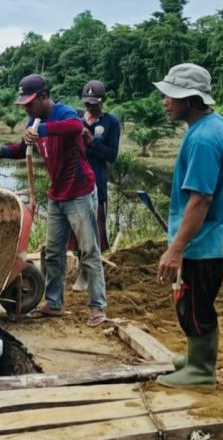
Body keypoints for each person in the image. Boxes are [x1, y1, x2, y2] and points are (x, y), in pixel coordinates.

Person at [0, 74, 107, 326]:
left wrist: (42, 129)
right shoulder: (34, 120)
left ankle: (97, 307)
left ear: (44, 97)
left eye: (30, 103)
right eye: (24, 104)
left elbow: (75, 127)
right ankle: (54, 303)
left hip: (79, 192)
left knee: (89, 251)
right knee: (52, 253)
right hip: (57, 195)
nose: (27, 108)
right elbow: (22, 148)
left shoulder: (64, 113)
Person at [153, 63, 223, 389]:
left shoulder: (202, 140)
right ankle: (194, 358)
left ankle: (201, 371)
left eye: (170, 96)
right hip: (211, 236)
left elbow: (200, 200)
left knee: (194, 303)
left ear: (190, 98)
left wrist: (176, 249)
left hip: (200, 241)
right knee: (196, 301)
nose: (165, 101)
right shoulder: (216, 126)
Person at [73, 80, 121, 291]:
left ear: (103, 101)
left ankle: (89, 273)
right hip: (74, 180)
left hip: (97, 184)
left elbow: (111, 155)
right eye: (87, 102)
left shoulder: (111, 123)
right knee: (74, 231)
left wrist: (93, 142)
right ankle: (81, 268)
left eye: (94, 103)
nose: (90, 107)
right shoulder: (74, 119)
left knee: (94, 230)